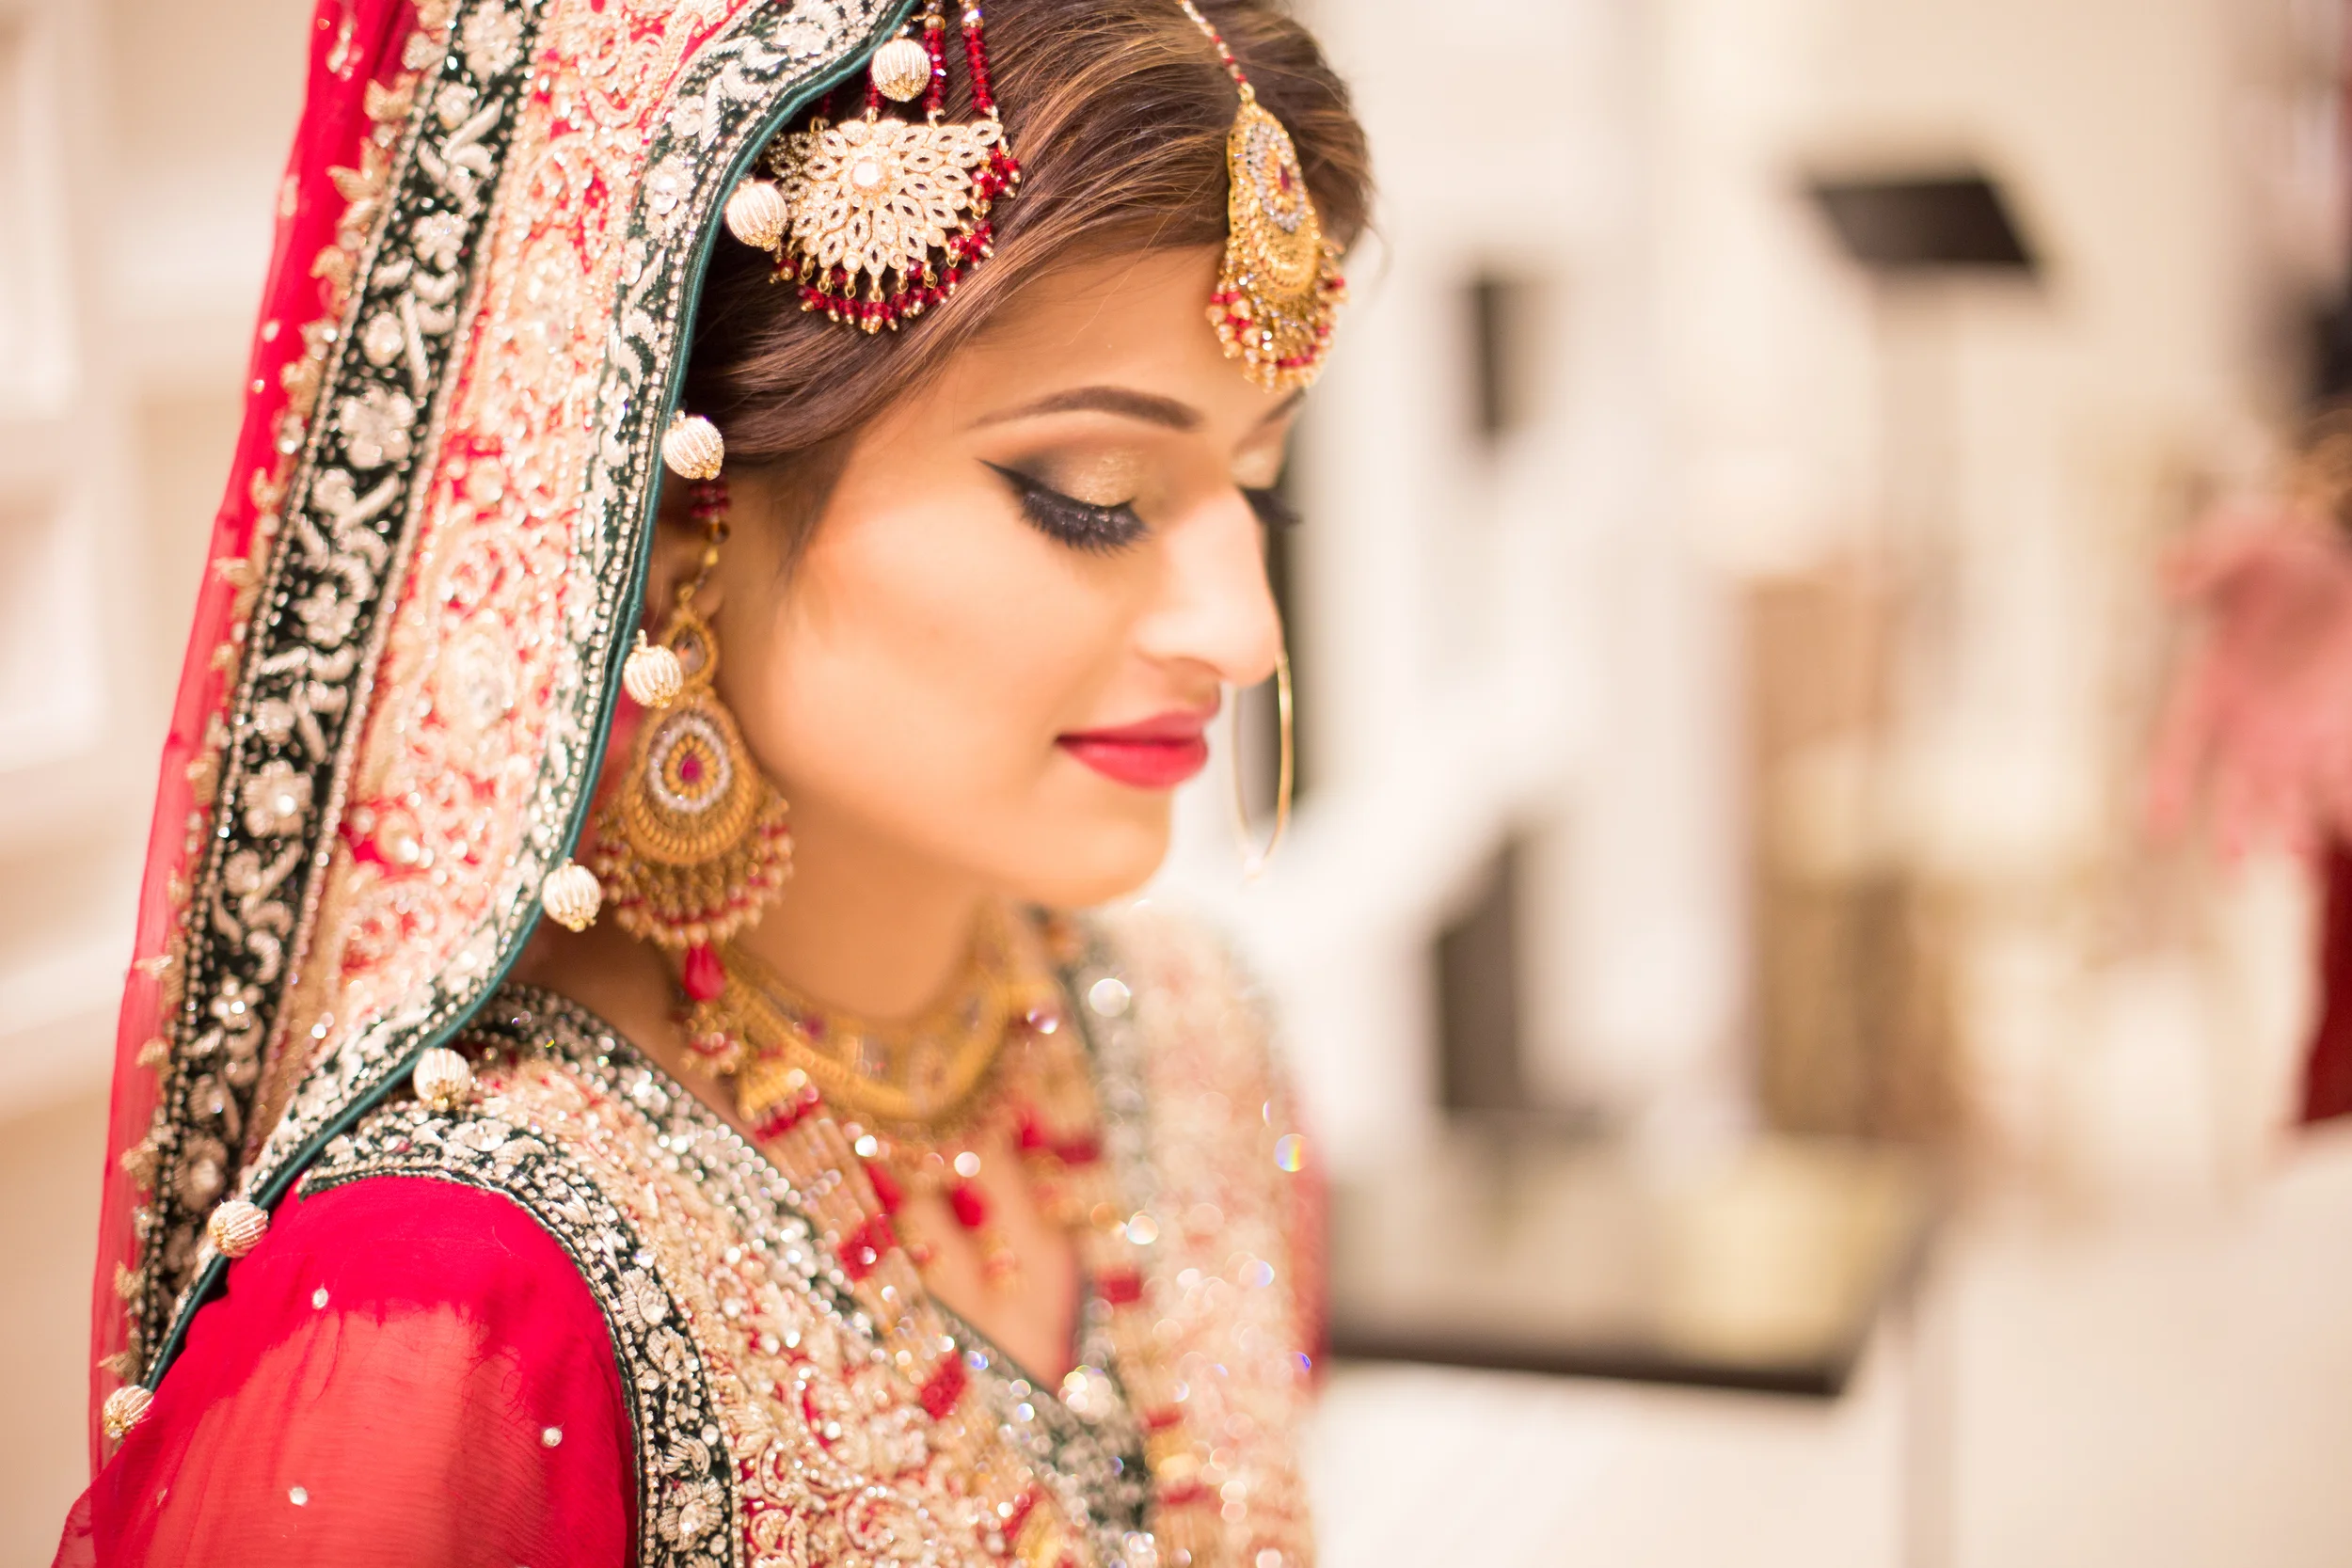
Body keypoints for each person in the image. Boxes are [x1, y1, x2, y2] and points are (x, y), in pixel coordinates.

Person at [54, 0, 1368, 1561]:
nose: (1240, 629)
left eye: (1261, 491)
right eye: (1092, 496)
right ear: (676, 510)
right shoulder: (454, 1301)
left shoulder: (1196, 1041)